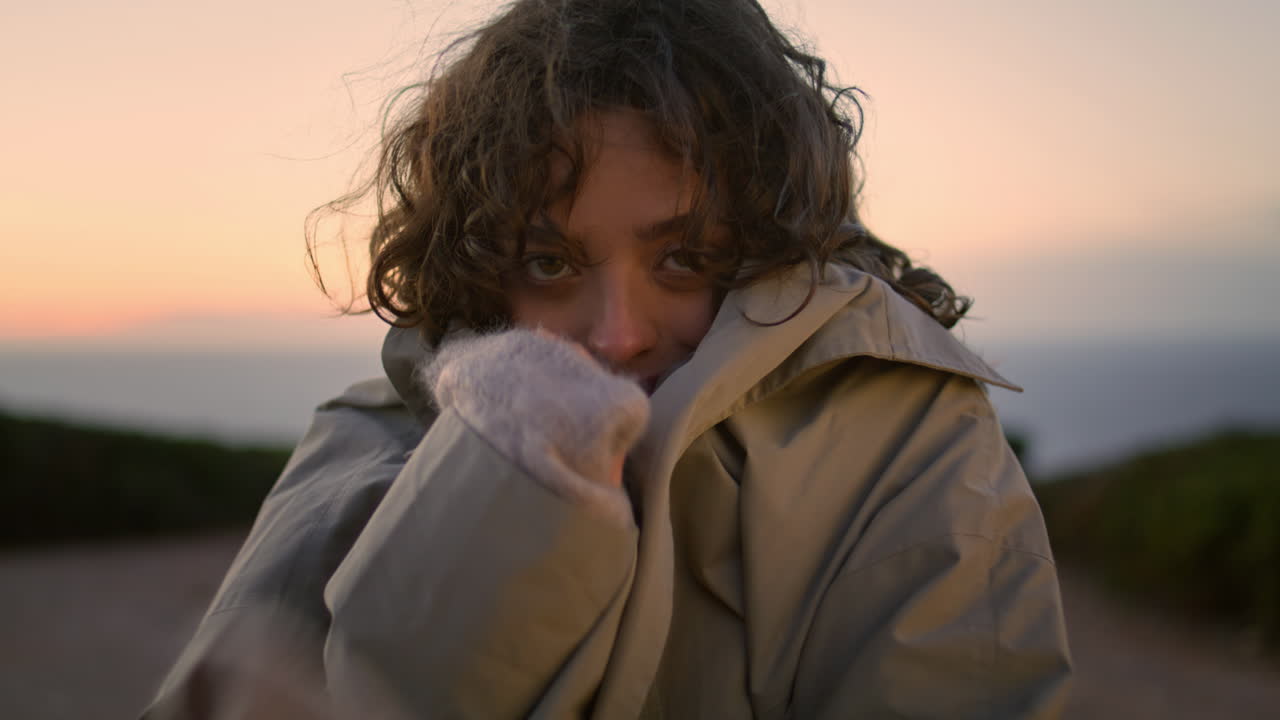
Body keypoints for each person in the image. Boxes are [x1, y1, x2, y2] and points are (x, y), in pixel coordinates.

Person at [145, 0, 1072, 717]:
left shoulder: (908, 441)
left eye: (685, 258)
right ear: (474, 268)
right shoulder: (365, 441)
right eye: (550, 264)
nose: (620, 334)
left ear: (771, 244)